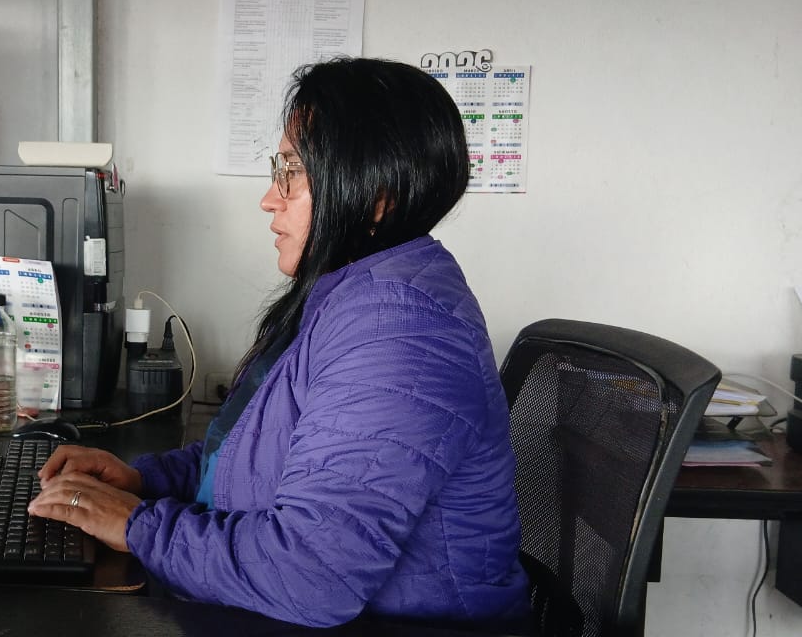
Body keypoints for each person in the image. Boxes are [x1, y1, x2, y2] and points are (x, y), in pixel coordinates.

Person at [28, 57, 530, 628]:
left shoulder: (401, 331)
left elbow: (311, 575)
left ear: (377, 196)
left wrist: (136, 524)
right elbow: (256, 456)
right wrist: (145, 480)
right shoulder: (352, 294)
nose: (270, 198)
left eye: (292, 170)